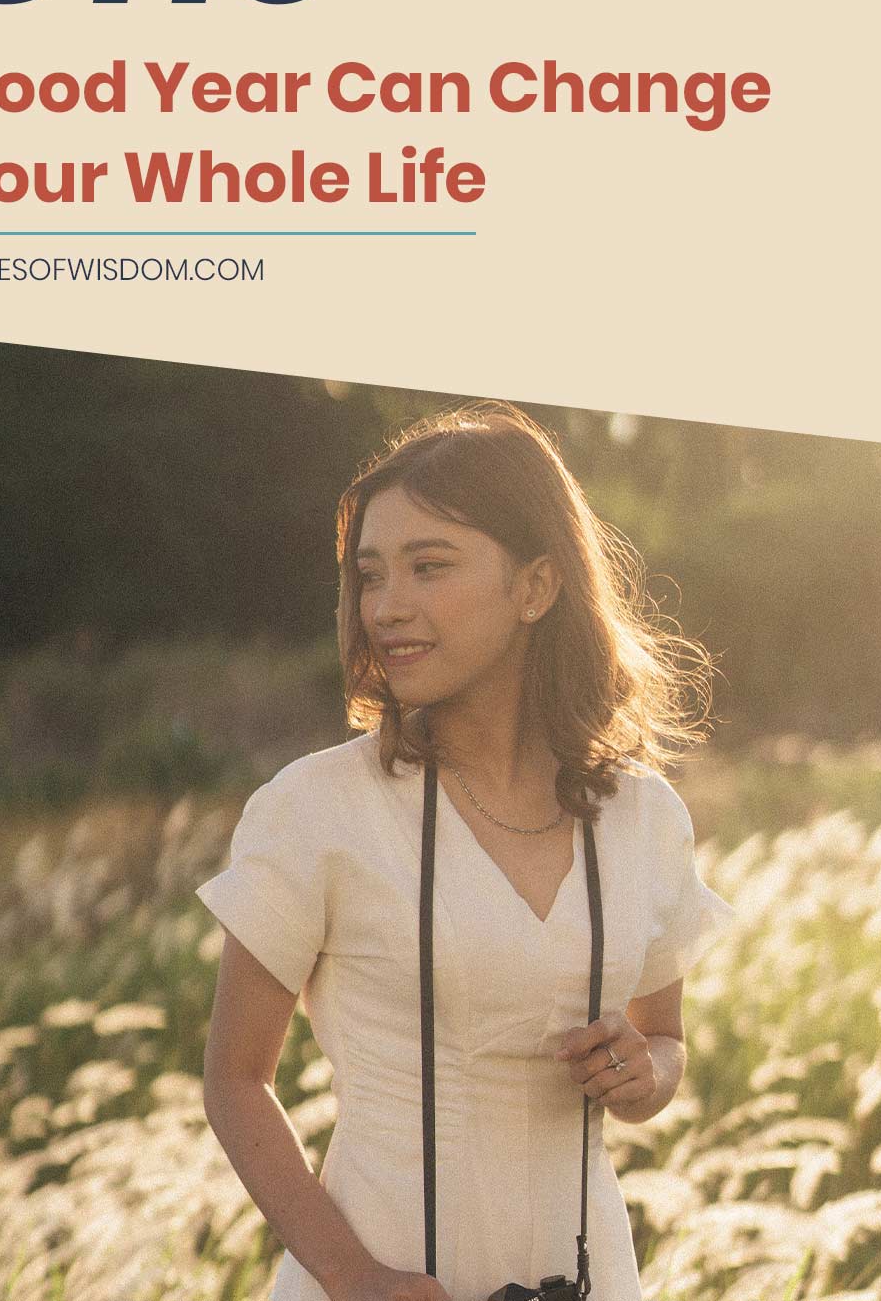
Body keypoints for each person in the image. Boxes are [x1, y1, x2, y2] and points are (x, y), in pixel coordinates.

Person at [196, 400, 736, 1301]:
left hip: (592, 1273)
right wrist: (355, 1277)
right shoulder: (317, 809)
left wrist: (645, 1076)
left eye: (429, 566)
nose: (387, 608)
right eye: (371, 576)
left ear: (536, 586)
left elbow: (663, 1038)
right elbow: (235, 1082)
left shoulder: (643, 816)